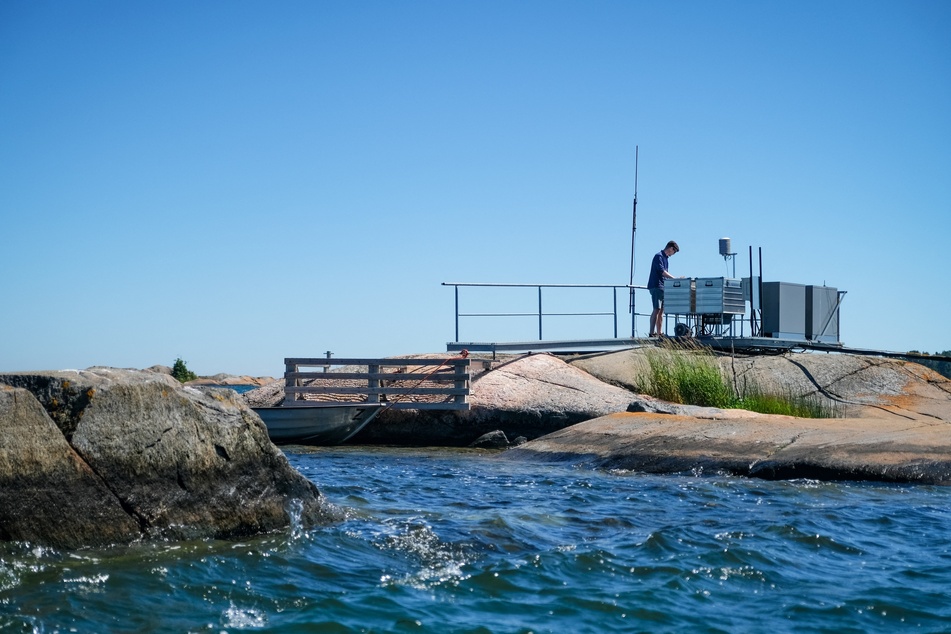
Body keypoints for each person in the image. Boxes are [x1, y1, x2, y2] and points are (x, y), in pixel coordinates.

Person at [647, 240, 681, 337]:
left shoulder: (666, 259)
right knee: (656, 309)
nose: (672, 254)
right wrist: (675, 279)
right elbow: (662, 271)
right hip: (656, 285)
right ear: (671, 248)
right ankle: (651, 332)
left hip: (663, 286)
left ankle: (659, 332)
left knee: (661, 311)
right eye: (674, 252)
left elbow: (665, 274)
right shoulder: (659, 256)